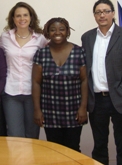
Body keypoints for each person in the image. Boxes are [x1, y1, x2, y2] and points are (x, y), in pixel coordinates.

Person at [81, 0, 122, 165]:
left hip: (121, 98)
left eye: (106, 11)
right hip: (97, 99)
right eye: (98, 12)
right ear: (94, 16)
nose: (102, 15)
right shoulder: (87, 37)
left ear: (113, 13)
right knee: (99, 145)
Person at [32, 17, 88, 152]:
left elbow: (84, 80)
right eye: (53, 30)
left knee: (73, 149)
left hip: (74, 111)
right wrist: (37, 110)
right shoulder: (41, 53)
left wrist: (83, 108)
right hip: (50, 112)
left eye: (62, 29)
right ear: (47, 32)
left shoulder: (79, 52)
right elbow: (36, 82)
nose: (57, 33)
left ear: (67, 31)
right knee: (54, 150)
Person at [0, 2, 48, 138]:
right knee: (15, 135)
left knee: (32, 135)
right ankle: (17, 160)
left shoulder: (40, 38)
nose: (22, 18)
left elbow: (53, 53)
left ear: (31, 17)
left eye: (25, 15)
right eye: (18, 16)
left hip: (34, 93)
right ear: (13, 19)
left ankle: (31, 161)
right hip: (10, 92)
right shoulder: (5, 37)